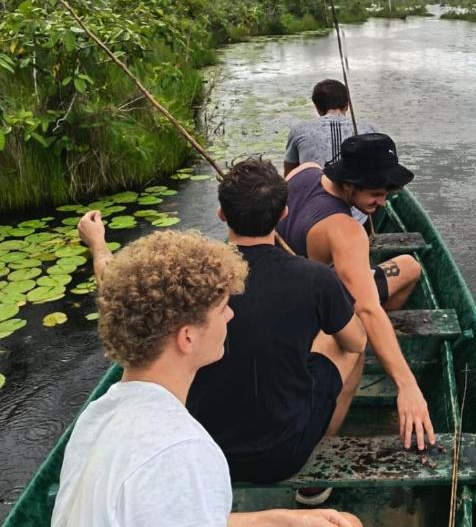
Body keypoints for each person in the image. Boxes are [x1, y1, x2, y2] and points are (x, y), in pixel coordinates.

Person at [53, 223, 361, 527]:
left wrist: (280, 519)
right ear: (187, 338)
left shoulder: (97, 417)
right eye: (222, 308)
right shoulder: (184, 449)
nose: (231, 314)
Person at [186, 158, 367, 504]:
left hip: (205, 451)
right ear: (284, 214)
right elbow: (356, 341)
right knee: (348, 349)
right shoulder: (315, 278)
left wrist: (100, 247)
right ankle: (313, 476)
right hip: (282, 456)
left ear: (222, 214)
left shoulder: (196, 278)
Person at [278, 132, 435, 452]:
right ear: (348, 184)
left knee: (409, 266)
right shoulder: (344, 230)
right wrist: (408, 386)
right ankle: (321, 451)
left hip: (288, 286)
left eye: (388, 193)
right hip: (310, 311)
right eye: (376, 194)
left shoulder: (303, 171)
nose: (383, 202)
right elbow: (365, 307)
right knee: (356, 347)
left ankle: (382, 342)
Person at [284, 79, 377, 177]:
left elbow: (290, 175)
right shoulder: (370, 129)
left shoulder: (299, 130)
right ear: (347, 105)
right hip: (359, 190)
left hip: (315, 190)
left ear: (317, 107)